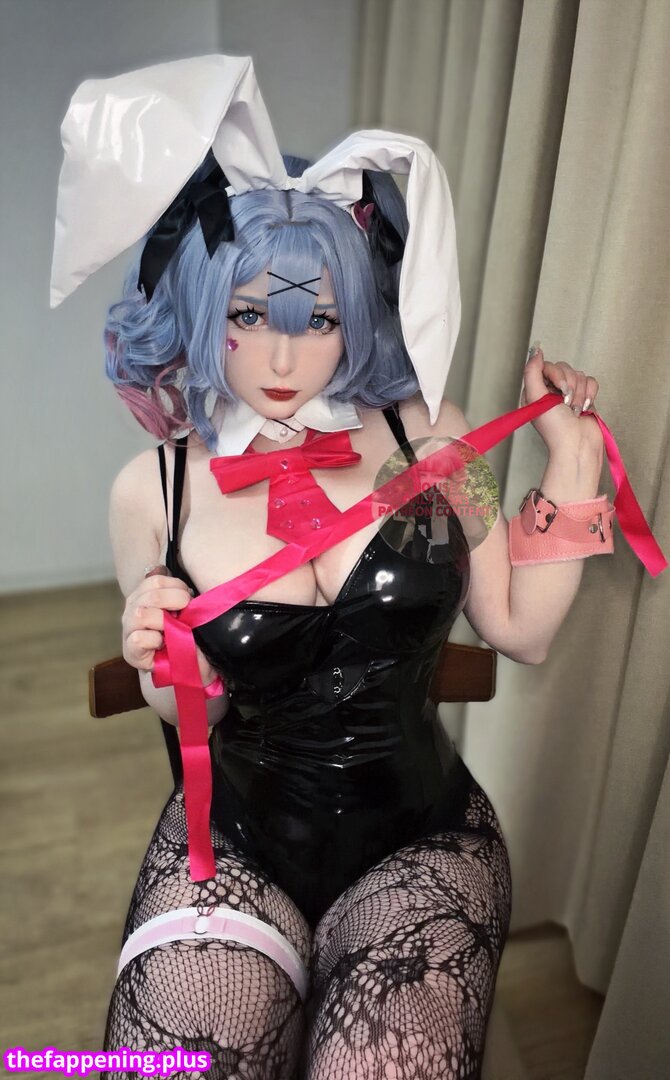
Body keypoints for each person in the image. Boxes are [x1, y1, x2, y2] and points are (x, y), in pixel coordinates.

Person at [50, 56, 643, 1080]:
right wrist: (154, 654)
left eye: (315, 321)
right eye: (248, 318)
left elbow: (523, 627)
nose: (282, 362)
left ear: (356, 315)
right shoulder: (152, 490)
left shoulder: (437, 441)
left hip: (422, 842)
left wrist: (575, 462)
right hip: (231, 848)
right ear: (202, 309)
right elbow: (180, 706)